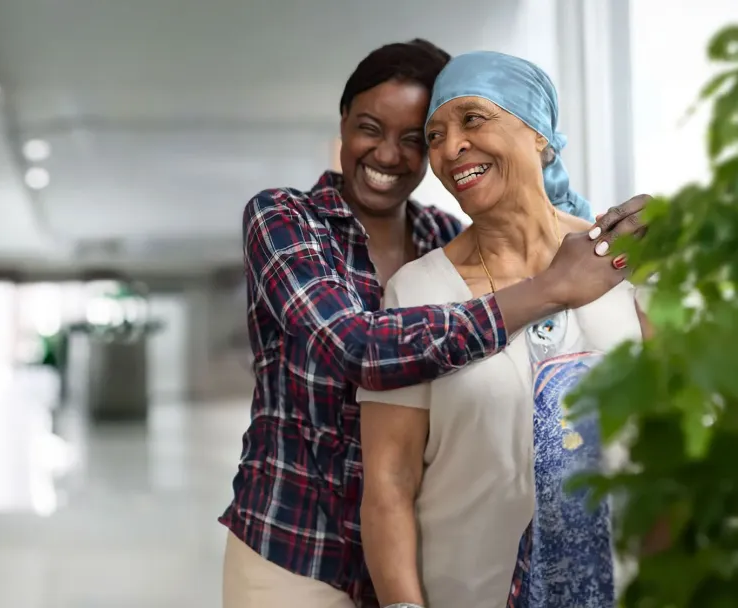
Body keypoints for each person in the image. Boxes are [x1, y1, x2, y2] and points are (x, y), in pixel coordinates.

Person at [220, 39, 649, 608]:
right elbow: (360, 352)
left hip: (420, 550)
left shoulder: (442, 235)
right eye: (371, 128)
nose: (390, 154)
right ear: (343, 125)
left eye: (414, 139)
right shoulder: (285, 220)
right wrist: (550, 289)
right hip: (300, 546)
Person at [355, 51, 650, 608]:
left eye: (473, 119)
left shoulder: (626, 260)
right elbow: (389, 486)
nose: (449, 148)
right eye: (435, 135)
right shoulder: (418, 292)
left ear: (539, 135)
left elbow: (677, 442)